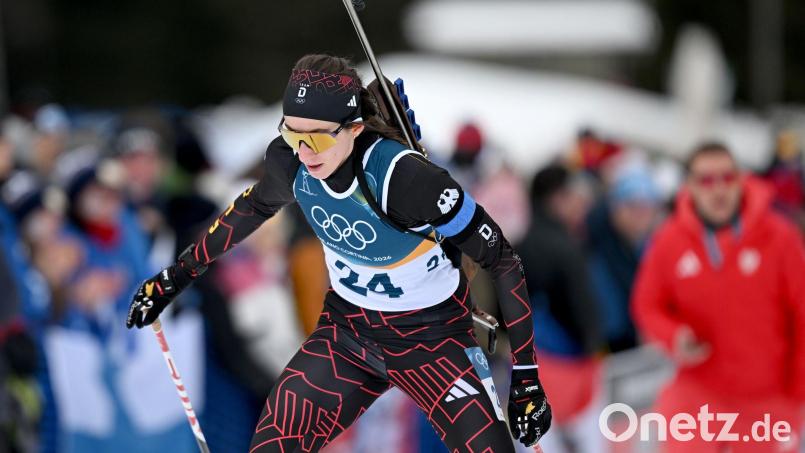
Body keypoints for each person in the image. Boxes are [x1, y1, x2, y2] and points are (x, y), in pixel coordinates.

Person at [126, 54, 552, 452]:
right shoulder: (291, 163)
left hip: (433, 341)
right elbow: (250, 209)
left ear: (354, 127)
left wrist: (526, 375)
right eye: (291, 132)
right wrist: (174, 278)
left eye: (315, 136)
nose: (303, 151)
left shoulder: (407, 179)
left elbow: (502, 259)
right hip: (348, 333)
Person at [632, 142, 805, 452]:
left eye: (727, 178)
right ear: (690, 187)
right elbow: (647, 304)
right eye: (707, 180)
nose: (719, 190)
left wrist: (797, 391)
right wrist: (674, 336)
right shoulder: (670, 240)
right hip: (698, 390)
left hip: (766, 396)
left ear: (741, 180)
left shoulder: (780, 238)